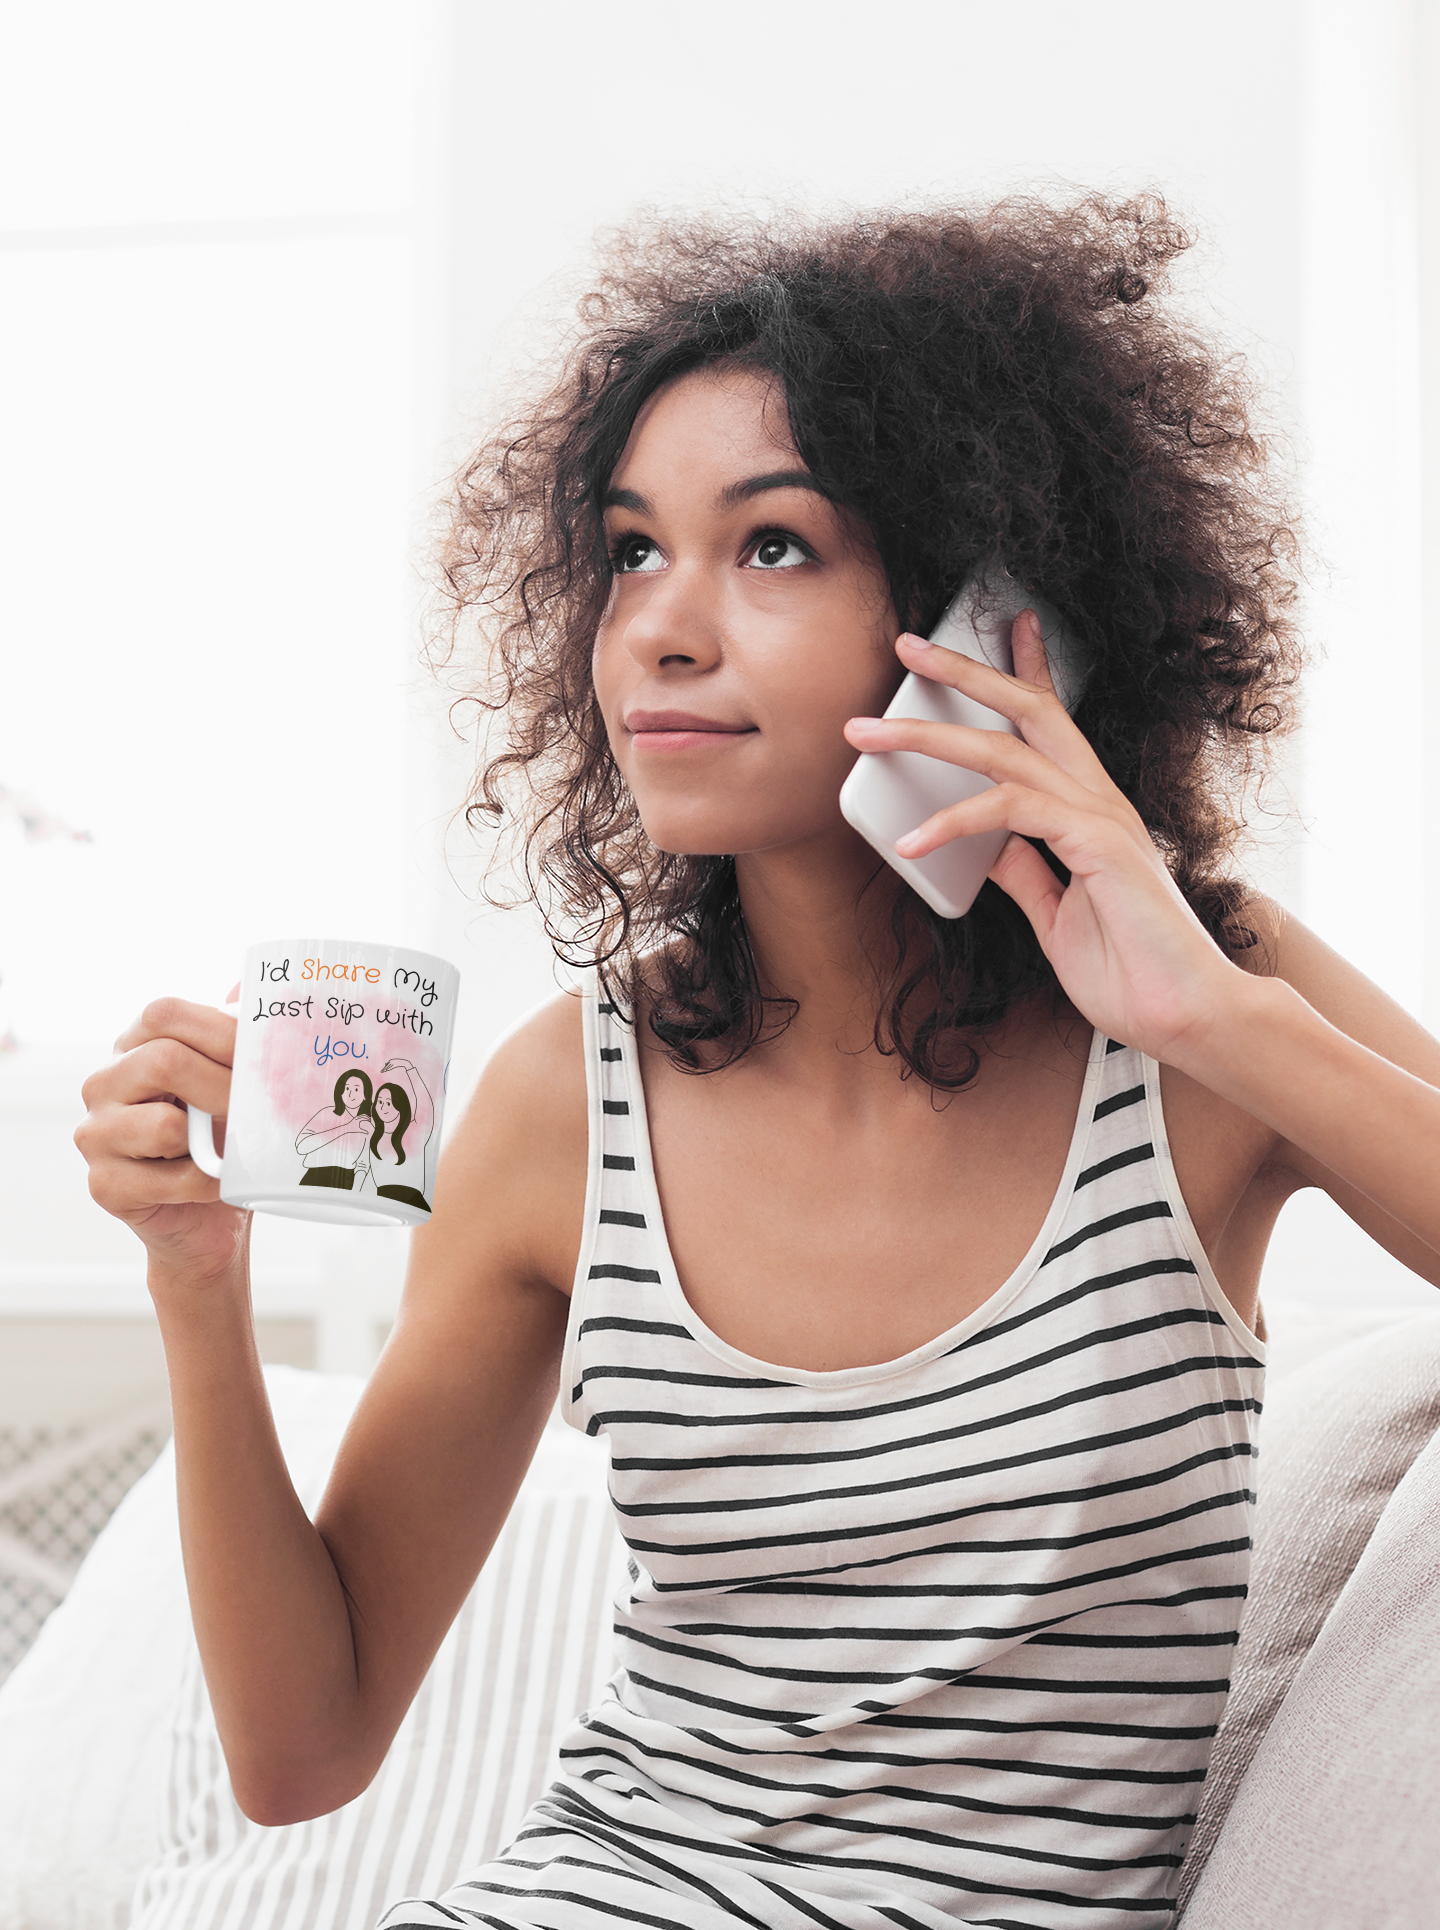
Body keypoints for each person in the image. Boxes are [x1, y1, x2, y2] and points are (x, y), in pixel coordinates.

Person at [75, 197, 1440, 1930]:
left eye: (774, 546)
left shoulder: (1206, 1008)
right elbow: (305, 1752)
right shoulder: (564, 1104)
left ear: (991, 610)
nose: (661, 625)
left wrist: (1206, 1011)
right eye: (634, 550)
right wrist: (199, 1286)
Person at [355, 1061, 435, 1214]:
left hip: (412, 1204)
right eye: (379, 1102)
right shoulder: (373, 1134)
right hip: (382, 1202)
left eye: (389, 1103)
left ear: (400, 1106)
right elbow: (362, 1166)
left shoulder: (415, 1133)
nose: (383, 1107)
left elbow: (425, 1103)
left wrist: (408, 1066)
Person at [295, 1068, 373, 1191]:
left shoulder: (367, 1124)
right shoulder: (326, 1113)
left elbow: (363, 1164)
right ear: (340, 1092)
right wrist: (346, 1128)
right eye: (347, 1088)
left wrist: (355, 1191)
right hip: (315, 1176)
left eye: (357, 1089)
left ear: (365, 1095)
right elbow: (301, 1146)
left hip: (346, 1181)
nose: (350, 1094)